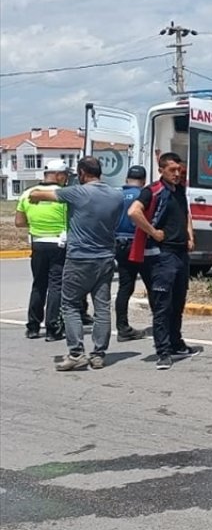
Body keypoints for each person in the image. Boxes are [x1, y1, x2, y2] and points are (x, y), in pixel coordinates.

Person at [29, 157, 124, 370]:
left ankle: (76, 353)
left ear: (82, 173)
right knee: (102, 307)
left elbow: (39, 194)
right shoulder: (116, 196)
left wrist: (35, 194)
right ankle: (98, 354)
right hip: (106, 257)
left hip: (79, 258)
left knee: (70, 305)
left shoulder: (77, 192)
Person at [128, 152, 202, 371]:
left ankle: (176, 343)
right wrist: (153, 232)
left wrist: (190, 235)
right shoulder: (152, 191)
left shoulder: (179, 190)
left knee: (178, 302)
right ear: (161, 171)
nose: (177, 174)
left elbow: (186, 213)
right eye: (172, 170)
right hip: (162, 255)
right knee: (162, 305)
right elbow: (134, 212)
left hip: (180, 253)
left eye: (179, 170)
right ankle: (163, 351)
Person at [16, 159, 70, 341]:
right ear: (59, 175)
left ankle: (32, 326)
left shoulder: (27, 194)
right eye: (66, 175)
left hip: (37, 242)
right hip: (59, 243)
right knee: (56, 285)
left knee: (39, 284)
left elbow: (19, 222)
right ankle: (52, 328)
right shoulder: (63, 194)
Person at [113, 165, 151, 341]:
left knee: (125, 287)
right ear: (143, 181)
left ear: (127, 179)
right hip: (139, 244)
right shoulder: (143, 196)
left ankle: (122, 327)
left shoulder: (116, 195)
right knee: (152, 284)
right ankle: (161, 323)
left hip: (119, 243)